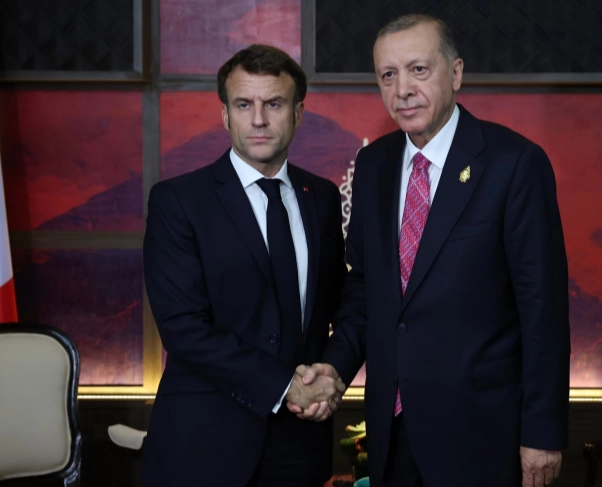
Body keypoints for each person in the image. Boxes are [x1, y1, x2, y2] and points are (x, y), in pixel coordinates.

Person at [290, 14, 570, 487]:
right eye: (388, 75)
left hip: (482, 436)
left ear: (456, 73)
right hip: (390, 434)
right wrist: (335, 367)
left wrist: (543, 432)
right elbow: (365, 290)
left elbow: (543, 309)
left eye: (418, 69)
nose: (402, 89)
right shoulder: (374, 164)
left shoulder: (514, 164)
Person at [141, 44, 347, 487]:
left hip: (301, 442)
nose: (258, 119)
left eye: (273, 104)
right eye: (243, 104)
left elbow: (340, 304)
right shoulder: (179, 201)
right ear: (225, 114)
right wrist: (285, 386)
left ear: (298, 112)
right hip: (204, 443)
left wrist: (331, 374)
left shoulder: (323, 197)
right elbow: (183, 327)